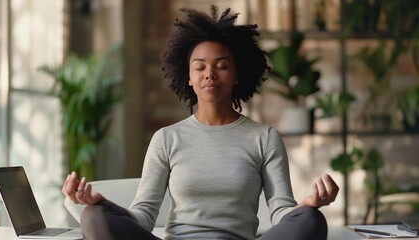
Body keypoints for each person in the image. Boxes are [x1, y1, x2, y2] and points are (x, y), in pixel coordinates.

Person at [62, 5, 339, 240]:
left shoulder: (264, 137)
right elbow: (143, 215)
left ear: (237, 74)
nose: (210, 74)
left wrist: (308, 205)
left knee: (311, 221)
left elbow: (281, 212)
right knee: (94, 217)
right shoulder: (166, 138)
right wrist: (102, 204)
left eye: (221, 65)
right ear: (188, 77)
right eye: (200, 67)